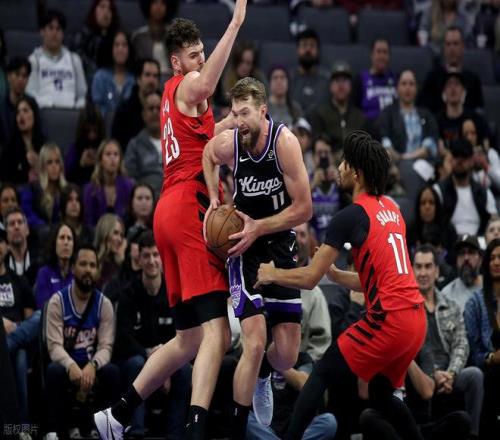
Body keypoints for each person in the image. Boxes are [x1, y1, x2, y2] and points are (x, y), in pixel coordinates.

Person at [94, 3, 248, 439]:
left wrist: (235, 120)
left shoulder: (176, 99)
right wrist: (235, 23)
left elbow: (206, 136)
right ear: (177, 62)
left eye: (203, 52)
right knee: (218, 331)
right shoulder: (185, 85)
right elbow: (209, 83)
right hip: (187, 210)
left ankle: (116, 415)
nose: (201, 59)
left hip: (169, 210)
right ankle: (195, 429)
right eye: (194, 55)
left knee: (188, 339)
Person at [255, 130, 426, 440]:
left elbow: (309, 279)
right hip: (416, 320)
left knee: (322, 372)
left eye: (345, 162)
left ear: (357, 173)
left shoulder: (350, 216)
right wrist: (334, 276)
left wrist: (272, 273)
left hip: (390, 319)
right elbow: (374, 281)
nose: (339, 167)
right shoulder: (393, 211)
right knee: (379, 393)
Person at [203, 76, 312, 435]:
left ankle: (266, 370)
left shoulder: (285, 143)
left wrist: (259, 227)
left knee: (287, 355)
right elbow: (207, 154)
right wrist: (214, 197)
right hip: (242, 248)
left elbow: (304, 209)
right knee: (254, 341)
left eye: (245, 113)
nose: (238, 121)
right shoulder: (231, 142)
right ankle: (237, 429)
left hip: (278, 244)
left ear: (263, 110)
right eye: (234, 113)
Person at [113, 230, 191, 438]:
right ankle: (136, 432)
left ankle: (175, 435)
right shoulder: (128, 293)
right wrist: (153, 359)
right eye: (146, 256)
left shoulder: (175, 291)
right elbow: (123, 338)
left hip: (169, 358)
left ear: (162, 257)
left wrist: (164, 364)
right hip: (137, 358)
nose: (151, 261)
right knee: (136, 363)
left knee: (184, 369)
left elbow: (183, 334)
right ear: (138, 259)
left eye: (156, 255)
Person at [44, 244, 119, 439]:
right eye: (83, 264)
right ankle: (55, 431)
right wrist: (70, 365)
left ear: (98, 271)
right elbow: (54, 345)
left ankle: (103, 429)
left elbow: (106, 346)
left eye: (92, 265)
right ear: (73, 268)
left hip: (91, 364)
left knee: (112, 372)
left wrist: (93, 365)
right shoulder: (57, 301)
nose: (88, 269)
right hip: (66, 363)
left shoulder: (104, 304)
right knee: (53, 371)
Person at [413, 244, 484, 437]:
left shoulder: (451, 306)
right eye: (418, 267)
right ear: (412, 271)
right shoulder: (405, 308)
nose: (423, 273)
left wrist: (451, 374)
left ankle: (473, 434)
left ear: (437, 271)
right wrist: (433, 374)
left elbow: (461, 344)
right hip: (422, 377)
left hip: (450, 375)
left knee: (474, 375)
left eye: (428, 266)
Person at [464, 238, 500, 436]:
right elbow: (473, 354)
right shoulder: (474, 303)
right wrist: (492, 358)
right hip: (489, 373)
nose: (496, 262)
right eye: (492, 258)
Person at [26, 9, 87, 109]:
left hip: (71, 112)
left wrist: (77, 110)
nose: (54, 33)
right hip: (44, 112)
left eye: (58, 29)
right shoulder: (34, 60)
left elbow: (82, 95)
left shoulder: (74, 59)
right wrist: (51, 107)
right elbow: (31, 94)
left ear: (63, 34)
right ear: (42, 32)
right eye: (50, 28)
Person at [83, 139, 134, 226]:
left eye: (116, 154)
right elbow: (89, 222)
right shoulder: (90, 190)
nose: (112, 158)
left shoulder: (129, 186)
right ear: (100, 160)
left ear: (120, 160)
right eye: (108, 154)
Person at [124, 90, 163, 197]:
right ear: (144, 115)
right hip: (147, 200)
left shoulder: (176, 141)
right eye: (151, 108)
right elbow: (130, 179)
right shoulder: (134, 145)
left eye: (158, 108)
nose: (155, 112)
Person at [35, 223, 75, 309]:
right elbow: (43, 306)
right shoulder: (44, 273)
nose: (66, 242)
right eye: (62, 238)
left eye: (69, 238)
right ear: (54, 243)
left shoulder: (78, 274)